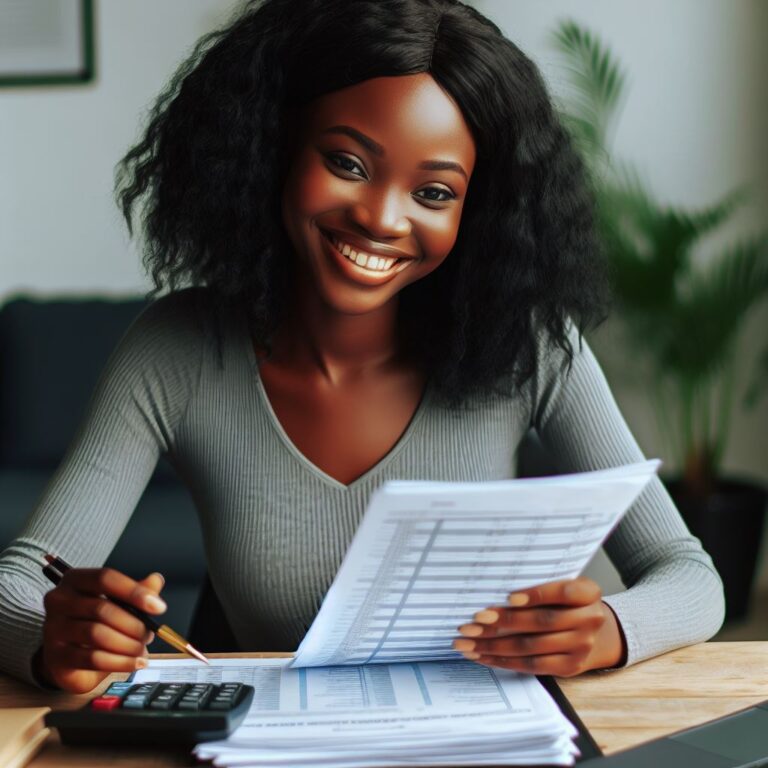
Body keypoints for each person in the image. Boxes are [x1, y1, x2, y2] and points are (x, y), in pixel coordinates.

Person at [0, 0, 724, 694]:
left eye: (435, 193)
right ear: (272, 147)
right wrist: (54, 637)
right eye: (347, 163)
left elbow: (688, 574)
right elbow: (21, 581)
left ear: (482, 211)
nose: (382, 218)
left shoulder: (534, 347)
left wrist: (610, 628)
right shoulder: (173, 352)